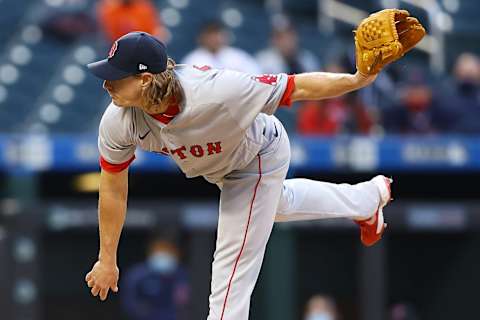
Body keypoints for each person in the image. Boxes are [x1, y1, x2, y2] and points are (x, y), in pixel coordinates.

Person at [84, 31, 393, 320]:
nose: (106, 85)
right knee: (279, 205)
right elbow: (112, 187)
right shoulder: (118, 120)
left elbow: (298, 86)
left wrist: (357, 79)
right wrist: (106, 258)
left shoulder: (217, 90)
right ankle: (366, 199)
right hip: (225, 170)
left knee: (230, 269)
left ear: (145, 80)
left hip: (259, 152)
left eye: (116, 78)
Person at [121, 235, 189, 320]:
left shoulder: (179, 274)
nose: (164, 256)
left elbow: (183, 301)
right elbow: (129, 300)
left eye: (168, 251)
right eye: (161, 251)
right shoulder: (138, 275)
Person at [181, 21, 261, 74]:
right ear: (202, 37)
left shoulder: (238, 56)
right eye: (210, 34)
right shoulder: (193, 59)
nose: (214, 38)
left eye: (217, 34)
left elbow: (255, 75)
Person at [96, 0, 166, 43]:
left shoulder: (143, 8)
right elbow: (108, 34)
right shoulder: (110, 10)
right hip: (118, 48)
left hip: (143, 46)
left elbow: (154, 31)